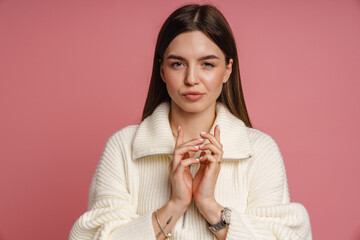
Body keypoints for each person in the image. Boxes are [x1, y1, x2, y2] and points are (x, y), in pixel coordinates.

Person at [69, 4, 312, 240]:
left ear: (227, 70)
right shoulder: (123, 146)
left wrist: (209, 206)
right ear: (162, 70)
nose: (191, 79)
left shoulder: (259, 150)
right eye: (178, 64)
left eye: (207, 64)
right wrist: (175, 206)